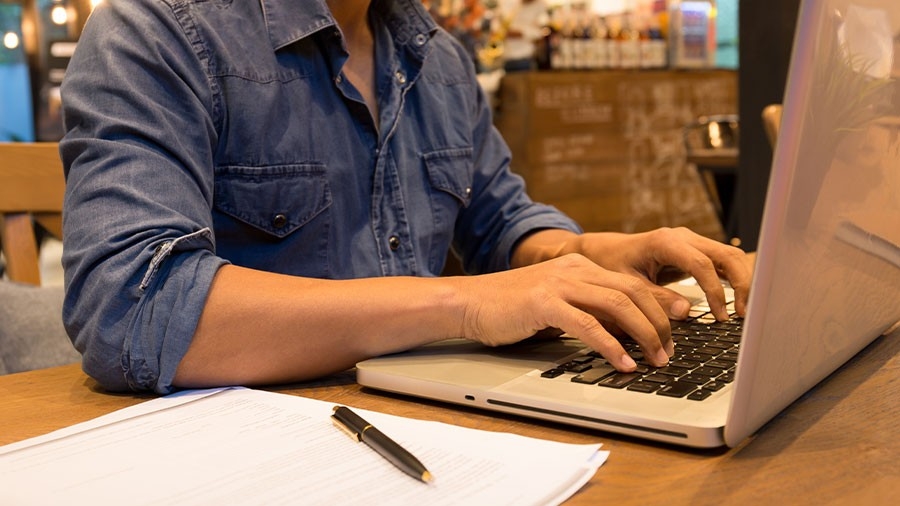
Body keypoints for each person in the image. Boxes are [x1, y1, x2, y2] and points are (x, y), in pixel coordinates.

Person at [59, 0, 752, 394]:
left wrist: (587, 254)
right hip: (245, 452)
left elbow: (499, 219)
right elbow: (132, 307)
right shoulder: (158, 30)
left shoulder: (436, 56)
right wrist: (468, 304)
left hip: (425, 418)